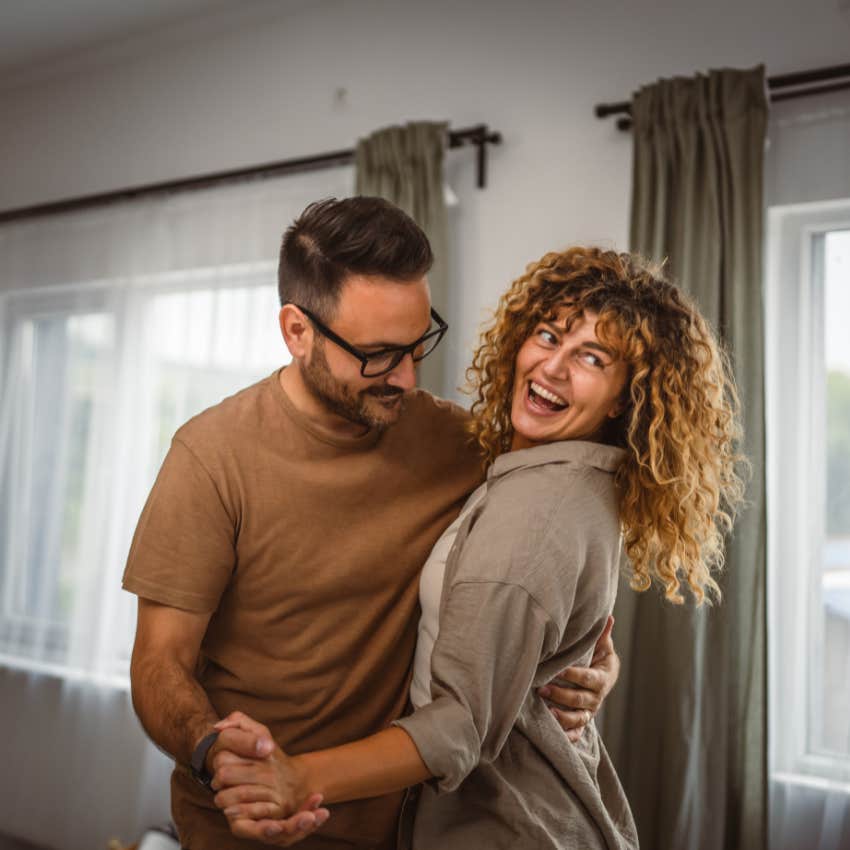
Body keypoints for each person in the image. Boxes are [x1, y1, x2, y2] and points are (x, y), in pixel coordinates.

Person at [206, 246, 746, 849]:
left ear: (625, 396)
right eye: (548, 336)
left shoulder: (537, 514)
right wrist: (591, 664)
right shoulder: (533, 472)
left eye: (592, 357)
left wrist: (298, 775)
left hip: (508, 827)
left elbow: (458, 723)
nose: (553, 367)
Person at [122, 198, 621, 850]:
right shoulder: (210, 458)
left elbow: (547, 559)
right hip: (246, 825)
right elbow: (160, 663)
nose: (409, 376)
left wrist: (593, 664)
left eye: (419, 343)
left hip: (400, 829)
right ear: (297, 331)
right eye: (380, 354)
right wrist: (212, 748)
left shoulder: (461, 443)